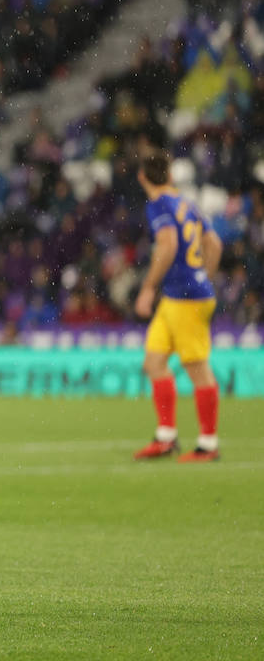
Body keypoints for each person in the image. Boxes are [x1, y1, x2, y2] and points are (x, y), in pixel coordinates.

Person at [132, 148, 223, 462]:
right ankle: (166, 438)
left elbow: (168, 243)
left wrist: (147, 287)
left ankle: (208, 444)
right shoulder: (187, 203)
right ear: (170, 176)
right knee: (154, 362)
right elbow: (214, 243)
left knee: (196, 368)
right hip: (177, 297)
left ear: (142, 176)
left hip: (185, 299)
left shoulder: (158, 205)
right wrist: (203, 276)